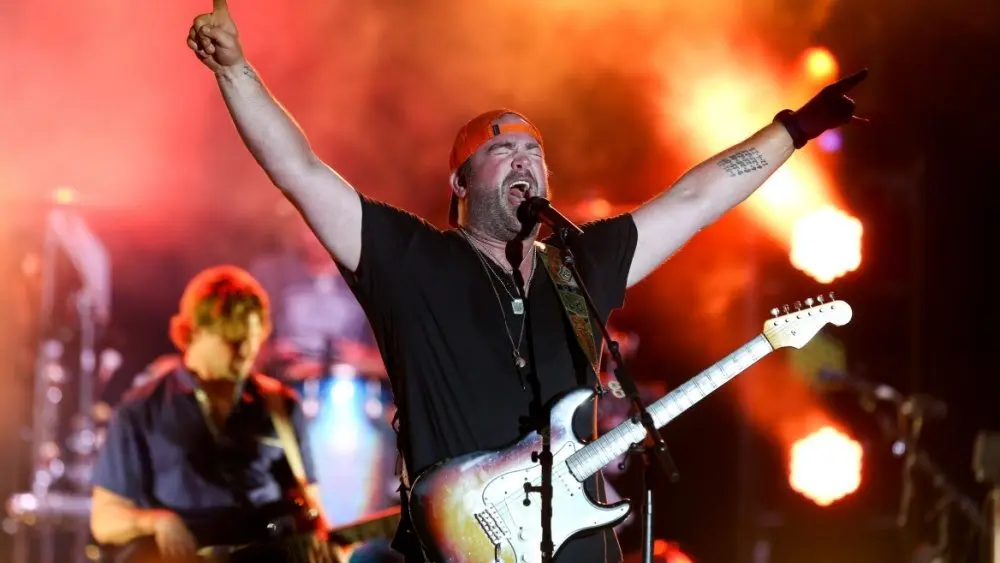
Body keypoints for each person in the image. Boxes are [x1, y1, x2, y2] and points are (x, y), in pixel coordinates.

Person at [185, 2, 867, 561]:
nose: (525, 160)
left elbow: (694, 199)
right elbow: (302, 172)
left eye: (535, 152)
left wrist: (794, 128)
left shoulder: (581, 264)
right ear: (460, 182)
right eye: (502, 150)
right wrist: (237, 71)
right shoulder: (410, 258)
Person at [88, 265, 338, 562]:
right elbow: (104, 519)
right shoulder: (140, 411)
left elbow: (311, 505)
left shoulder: (281, 405)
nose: (246, 351)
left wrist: (326, 544)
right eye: (232, 340)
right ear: (193, 333)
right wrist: (158, 521)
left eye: (252, 338)